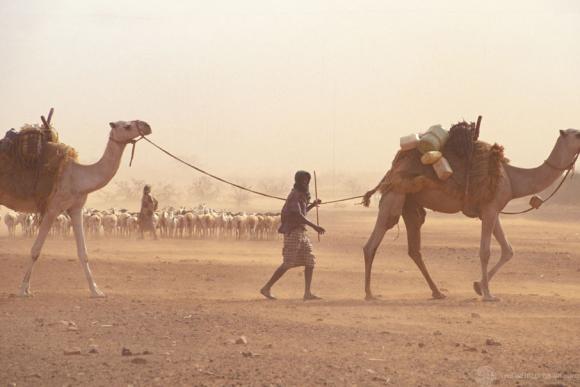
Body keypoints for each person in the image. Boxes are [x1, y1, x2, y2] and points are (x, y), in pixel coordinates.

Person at [260, 170, 326, 301]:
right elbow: (298, 215)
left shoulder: (301, 195)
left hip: (301, 232)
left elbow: (303, 211)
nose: (306, 183)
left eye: (307, 181)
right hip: (293, 232)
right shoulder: (294, 195)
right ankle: (266, 288)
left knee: (310, 260)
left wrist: (312, 204)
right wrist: (315, 227)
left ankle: (307, 293)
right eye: (303, 180)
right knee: (288, 263)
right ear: (298, 181)